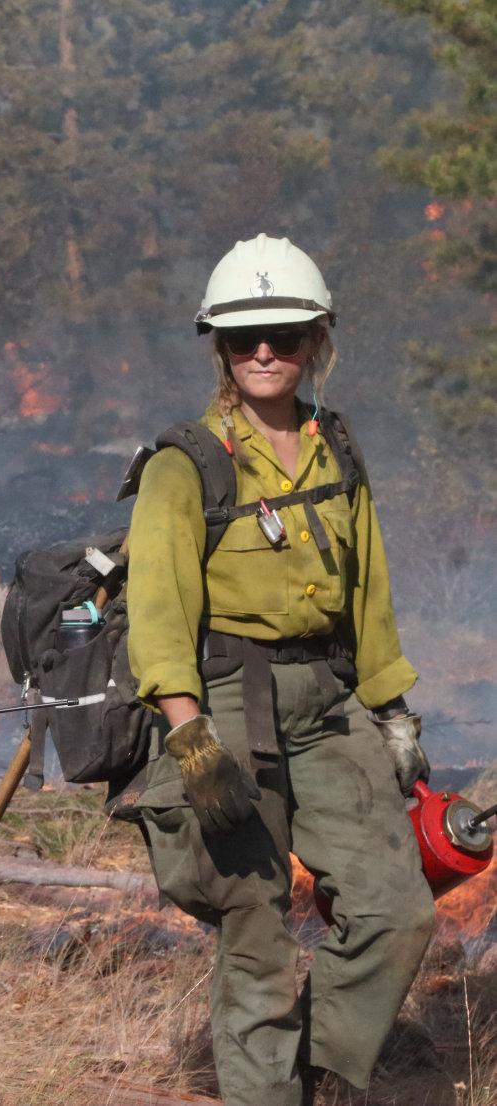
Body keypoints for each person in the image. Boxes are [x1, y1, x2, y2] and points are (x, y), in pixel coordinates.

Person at [122, 233, 433, 1106]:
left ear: (314, 342)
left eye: (285, 336)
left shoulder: (337, 446)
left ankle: (327, 1076)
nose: (266, 352)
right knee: (257, 929)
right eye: (246, 336)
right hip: (225, 704)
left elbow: (367, 591)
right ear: (220, 346)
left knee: (397, 910)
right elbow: (158, 616)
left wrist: (395, 711)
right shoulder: (187, 463)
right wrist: (188, 737)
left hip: (331, 704)